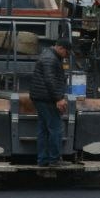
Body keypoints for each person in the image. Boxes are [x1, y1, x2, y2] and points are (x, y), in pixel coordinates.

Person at [29, 35, 70, 167]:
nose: (66, 56)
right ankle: (54, 160)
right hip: (46, 98)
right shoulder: (50, 59)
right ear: (61, 48)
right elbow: (50, 80)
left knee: (43, 130)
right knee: (56, 129)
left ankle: (43, 160)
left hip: (41, 97)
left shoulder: (49, 55)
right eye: (66, 52)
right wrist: (59, 98)